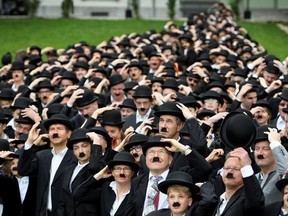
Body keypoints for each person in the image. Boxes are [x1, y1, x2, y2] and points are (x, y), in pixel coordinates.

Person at [125, 135, 212, 216]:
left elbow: (205, 169)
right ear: (145, 158)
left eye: (161, 152)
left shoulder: (181, 176)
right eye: (151, 152)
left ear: (170, 159)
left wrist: (183, 149)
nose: (156, 156)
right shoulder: (137, 181)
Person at [18, 114, 77, 216]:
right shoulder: (42, 156)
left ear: (68, 134)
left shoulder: (76, 157)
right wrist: (29, 142)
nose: (55, 132)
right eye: (52, 129)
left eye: (59, 129)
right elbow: (23, 170)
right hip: (43, 212)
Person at [73, 151, 139, 216]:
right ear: (112, 172)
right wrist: (99, 175)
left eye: (126, 169)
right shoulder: (106, 188)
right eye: (117, 169)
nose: (121, 172)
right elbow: (78, 194)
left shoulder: (137, 192)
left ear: (132, 173)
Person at [57, 128, 101, 216]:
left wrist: (96, 140)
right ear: (73, 151)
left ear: (91, 146)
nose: (80, 151)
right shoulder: (68, 170)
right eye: (76, 148)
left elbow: (95, 167)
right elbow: (62, 199)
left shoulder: (98, 168)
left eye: (84, 146)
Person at [213, 147, 264, 216]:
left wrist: (246, 165)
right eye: (227, 168)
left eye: (236, 169)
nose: (230, 172)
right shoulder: (219, 199)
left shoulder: (246, 200)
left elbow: (255, 202)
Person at [147, 171, 217, 216]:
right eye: (172, 197)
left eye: (181, 196)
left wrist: (204, 186)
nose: (176, 201)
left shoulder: (195, 214)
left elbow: (209, 200)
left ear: (189, 201)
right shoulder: (156, 215)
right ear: (168, 201)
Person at [254, 125, 288, 205]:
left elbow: (286, 168)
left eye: (266, 148)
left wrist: (275, 142)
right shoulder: (253, 178)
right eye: (257, 149)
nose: (260, 153)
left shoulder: (280, 175)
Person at [0, 150, 37, 216]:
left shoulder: (36, 181)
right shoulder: (5, 182)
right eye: (12, 163)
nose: (15, 166)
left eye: (19, 163)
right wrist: (1, 159)